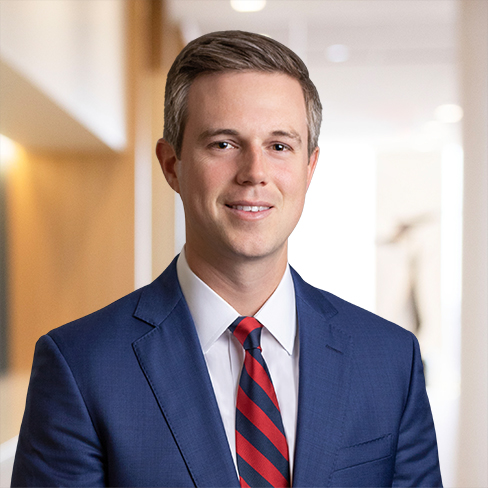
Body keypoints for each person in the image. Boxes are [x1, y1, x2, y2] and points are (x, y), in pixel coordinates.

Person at [12, 30, 442, 488]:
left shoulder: (390, 360)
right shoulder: (81, 367)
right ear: (171, 165)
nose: (255, 172)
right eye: (223, 144)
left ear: (309, 167)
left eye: (279, 146)